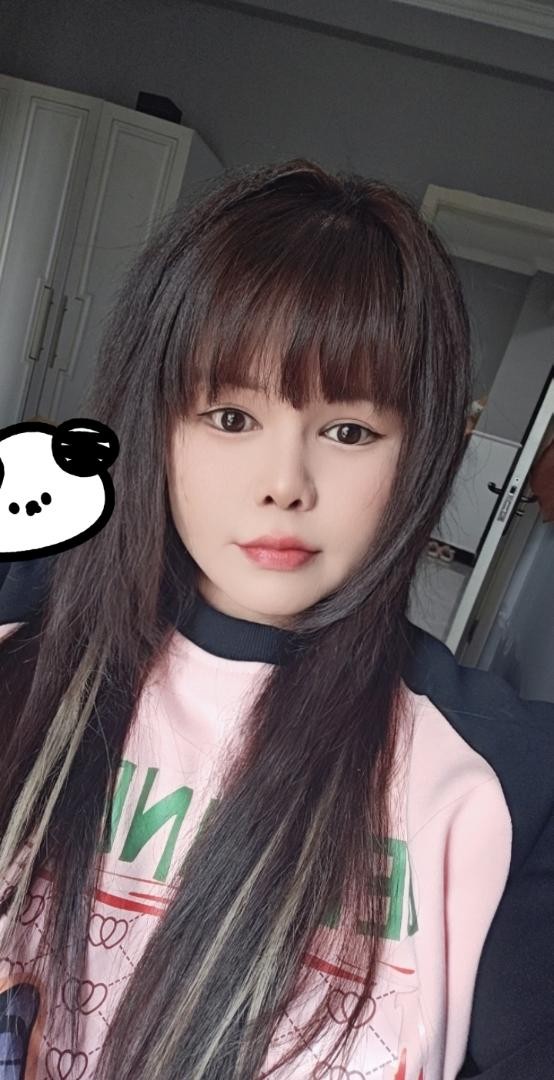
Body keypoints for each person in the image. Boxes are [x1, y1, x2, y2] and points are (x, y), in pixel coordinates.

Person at [0, 159, 553, 1080]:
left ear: (419, 455)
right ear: (157, 422)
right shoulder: (21, 635)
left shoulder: (505, 781)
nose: (285, 485)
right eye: (229, 416)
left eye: (348, 432)